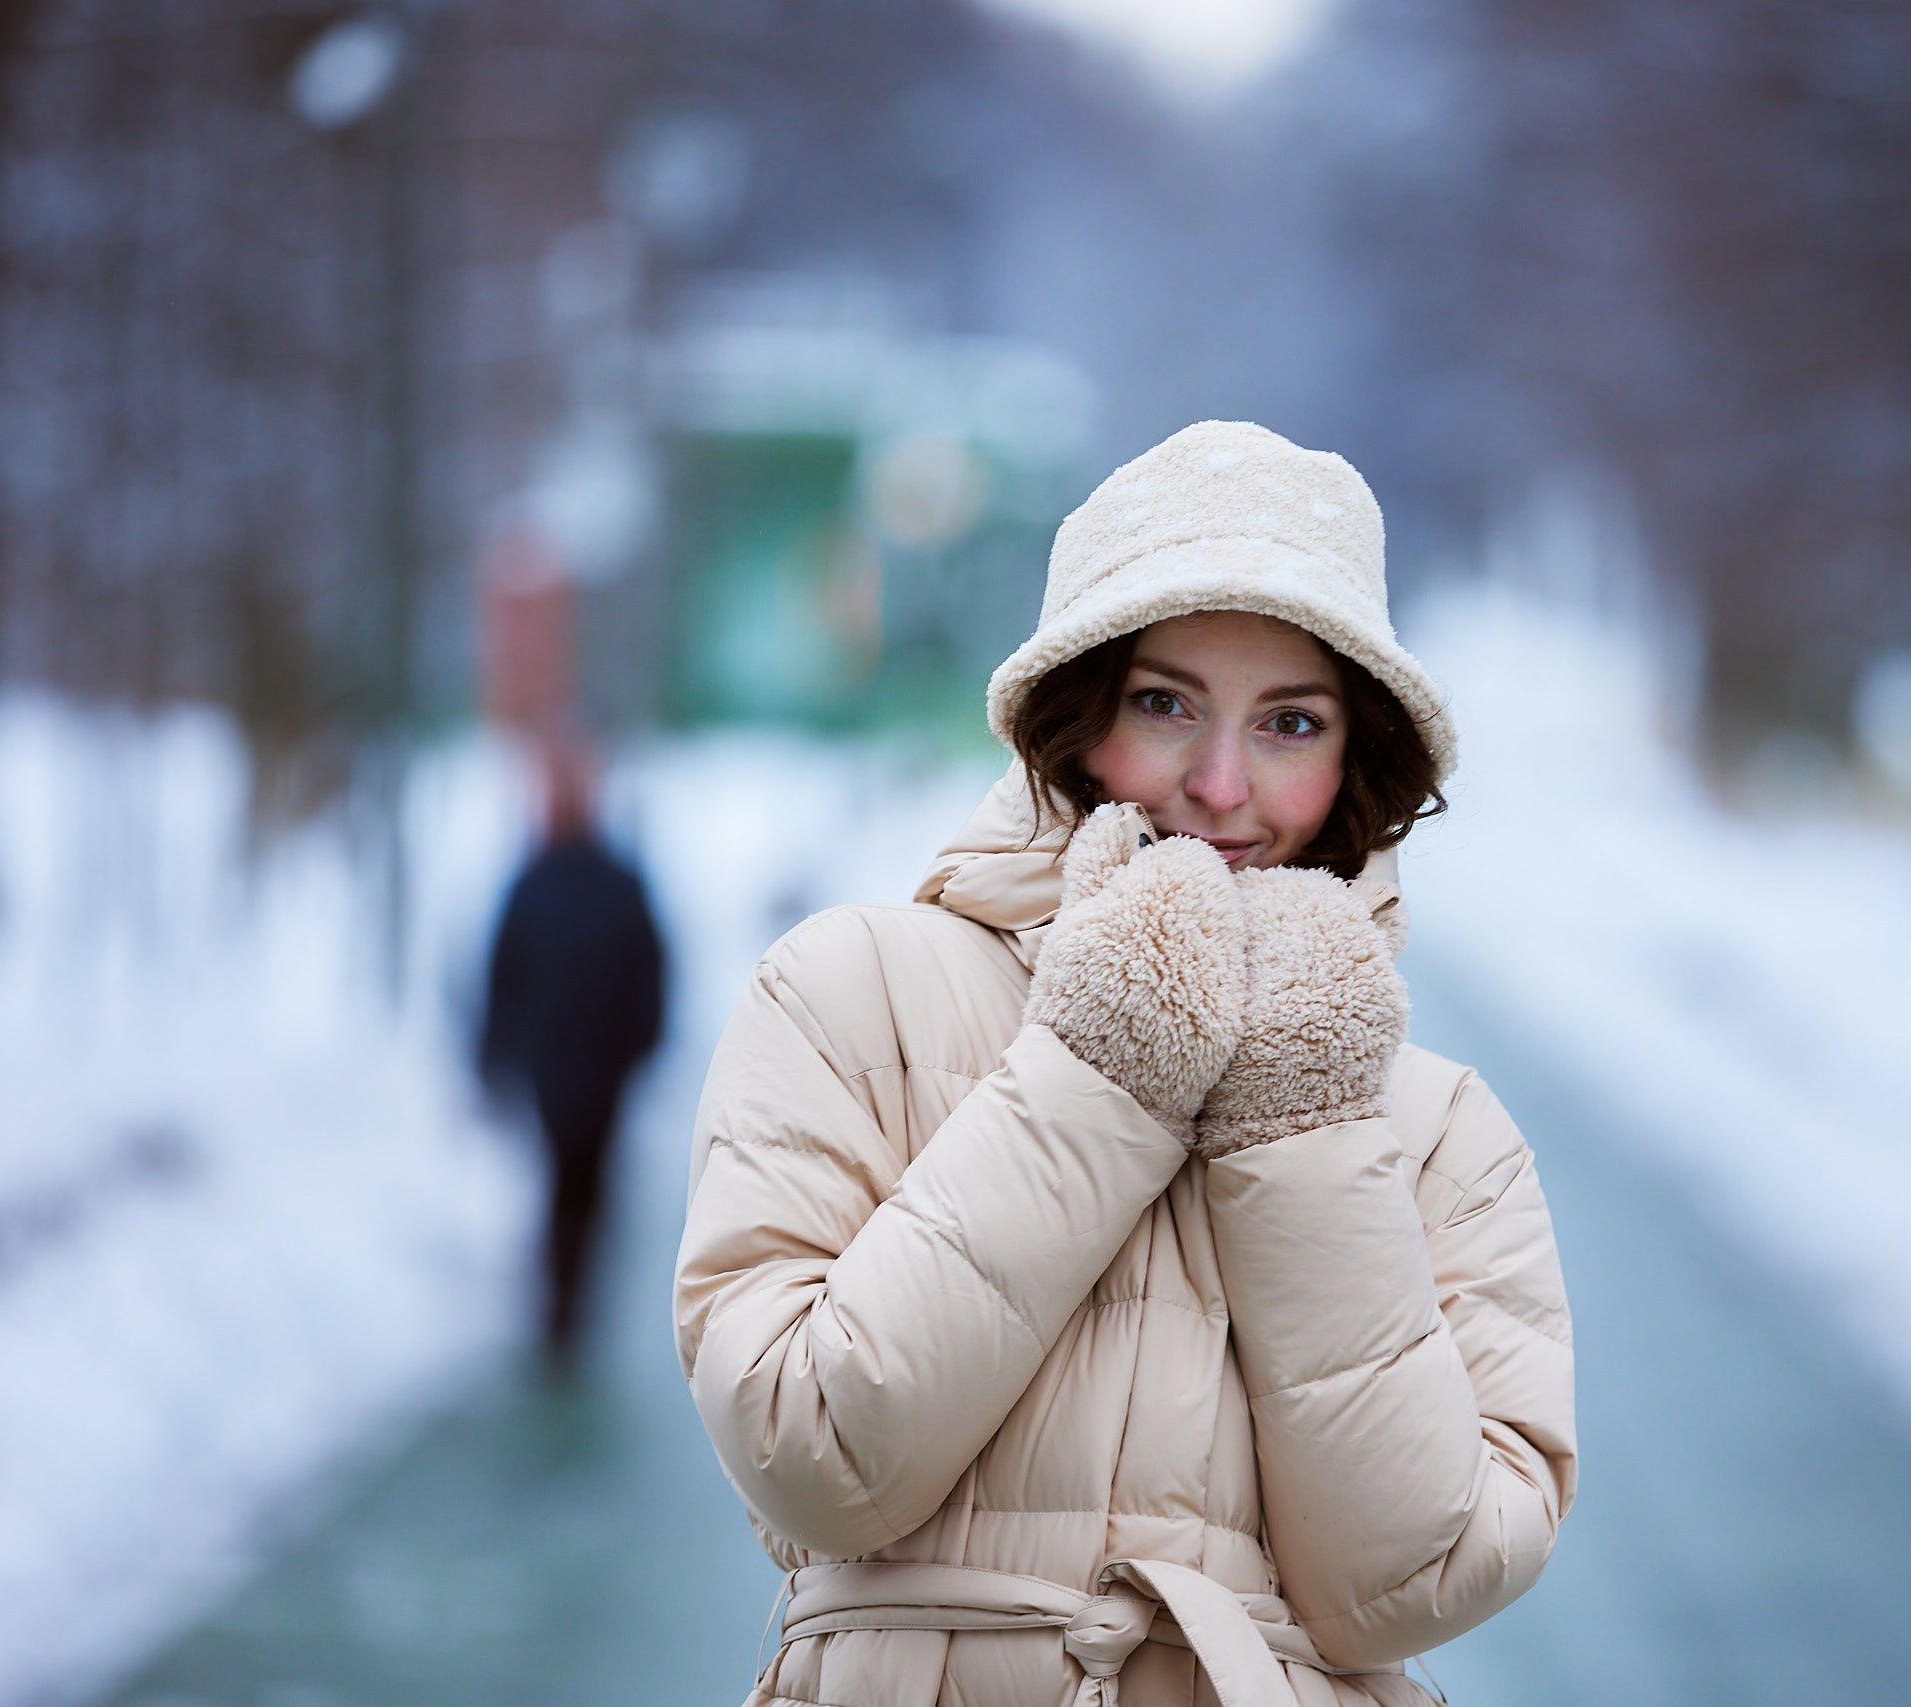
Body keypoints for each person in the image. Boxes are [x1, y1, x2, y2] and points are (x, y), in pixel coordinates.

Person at [675, 422, 1575, 1707]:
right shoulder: (848, 994)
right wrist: (1105, 1070)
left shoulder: (1440, 1135)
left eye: (1290, 722)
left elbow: (1408, 1585)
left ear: (1352, 759)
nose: (1219, 785)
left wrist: (1301, 1120)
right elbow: (813, 1459)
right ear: (1074, 720)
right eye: (1165, 705)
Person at [480, 728, 667, 1368]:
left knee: (592, 1186)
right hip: (550, 1069)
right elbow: (502, 973)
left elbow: (650, 970)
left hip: (604, 1069)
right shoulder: (530, 882)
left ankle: (579, 1298)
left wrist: (642, 1042)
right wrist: (495, 1049)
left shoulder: (619, 882)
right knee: (558, 1184)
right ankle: (555, 1306)